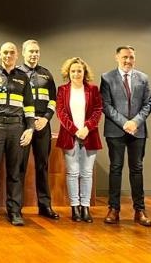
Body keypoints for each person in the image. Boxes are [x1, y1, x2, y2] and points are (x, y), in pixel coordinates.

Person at [0, 42, 35, 226]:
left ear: (16, 55)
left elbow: (29, 106)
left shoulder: (23, 77)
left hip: (17, 129)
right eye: (5, 53)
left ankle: (15, 212)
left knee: (15, 172)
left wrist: (30, 128)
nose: (8, 56)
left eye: (12, 52)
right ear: (0, 54)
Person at [100, 45, 151, 226]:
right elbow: (106, 106)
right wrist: (124, 123)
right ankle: (113, 209)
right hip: (115, 130)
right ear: (117, 57)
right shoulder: (106, 78)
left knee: (137, 169)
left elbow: (148, 104)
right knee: (116, 168)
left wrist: (135, 122)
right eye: (124, 57)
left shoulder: (143, 78)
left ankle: (140, 210)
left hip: (137, 131)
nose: (128, 60)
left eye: (131, 57)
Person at [55, 57, 103, 223]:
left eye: (79, 71)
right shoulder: (62, 90)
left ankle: (85, 207)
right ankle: (75, 207)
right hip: (70, 136)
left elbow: (98, 110)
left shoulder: (93, 89)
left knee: (87, 173)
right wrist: (76, 130)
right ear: (68, 73)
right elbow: (61, 113)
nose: (76, 74)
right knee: (73, 172)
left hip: (90, 136)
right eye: (73, 71)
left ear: (84, 72)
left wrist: (87, 128)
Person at [17, 39, 60, 220]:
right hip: (22, 126)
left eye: (37, 52)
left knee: (42, 166)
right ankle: (16, 207)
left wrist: (46, 118)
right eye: (31, 51)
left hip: (42, 125)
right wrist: (28, 121)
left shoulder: (46, 75)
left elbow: (53, 100)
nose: (34, 55)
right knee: (19, 167)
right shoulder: (17, 74)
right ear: (23, 52)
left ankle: (45, 206)